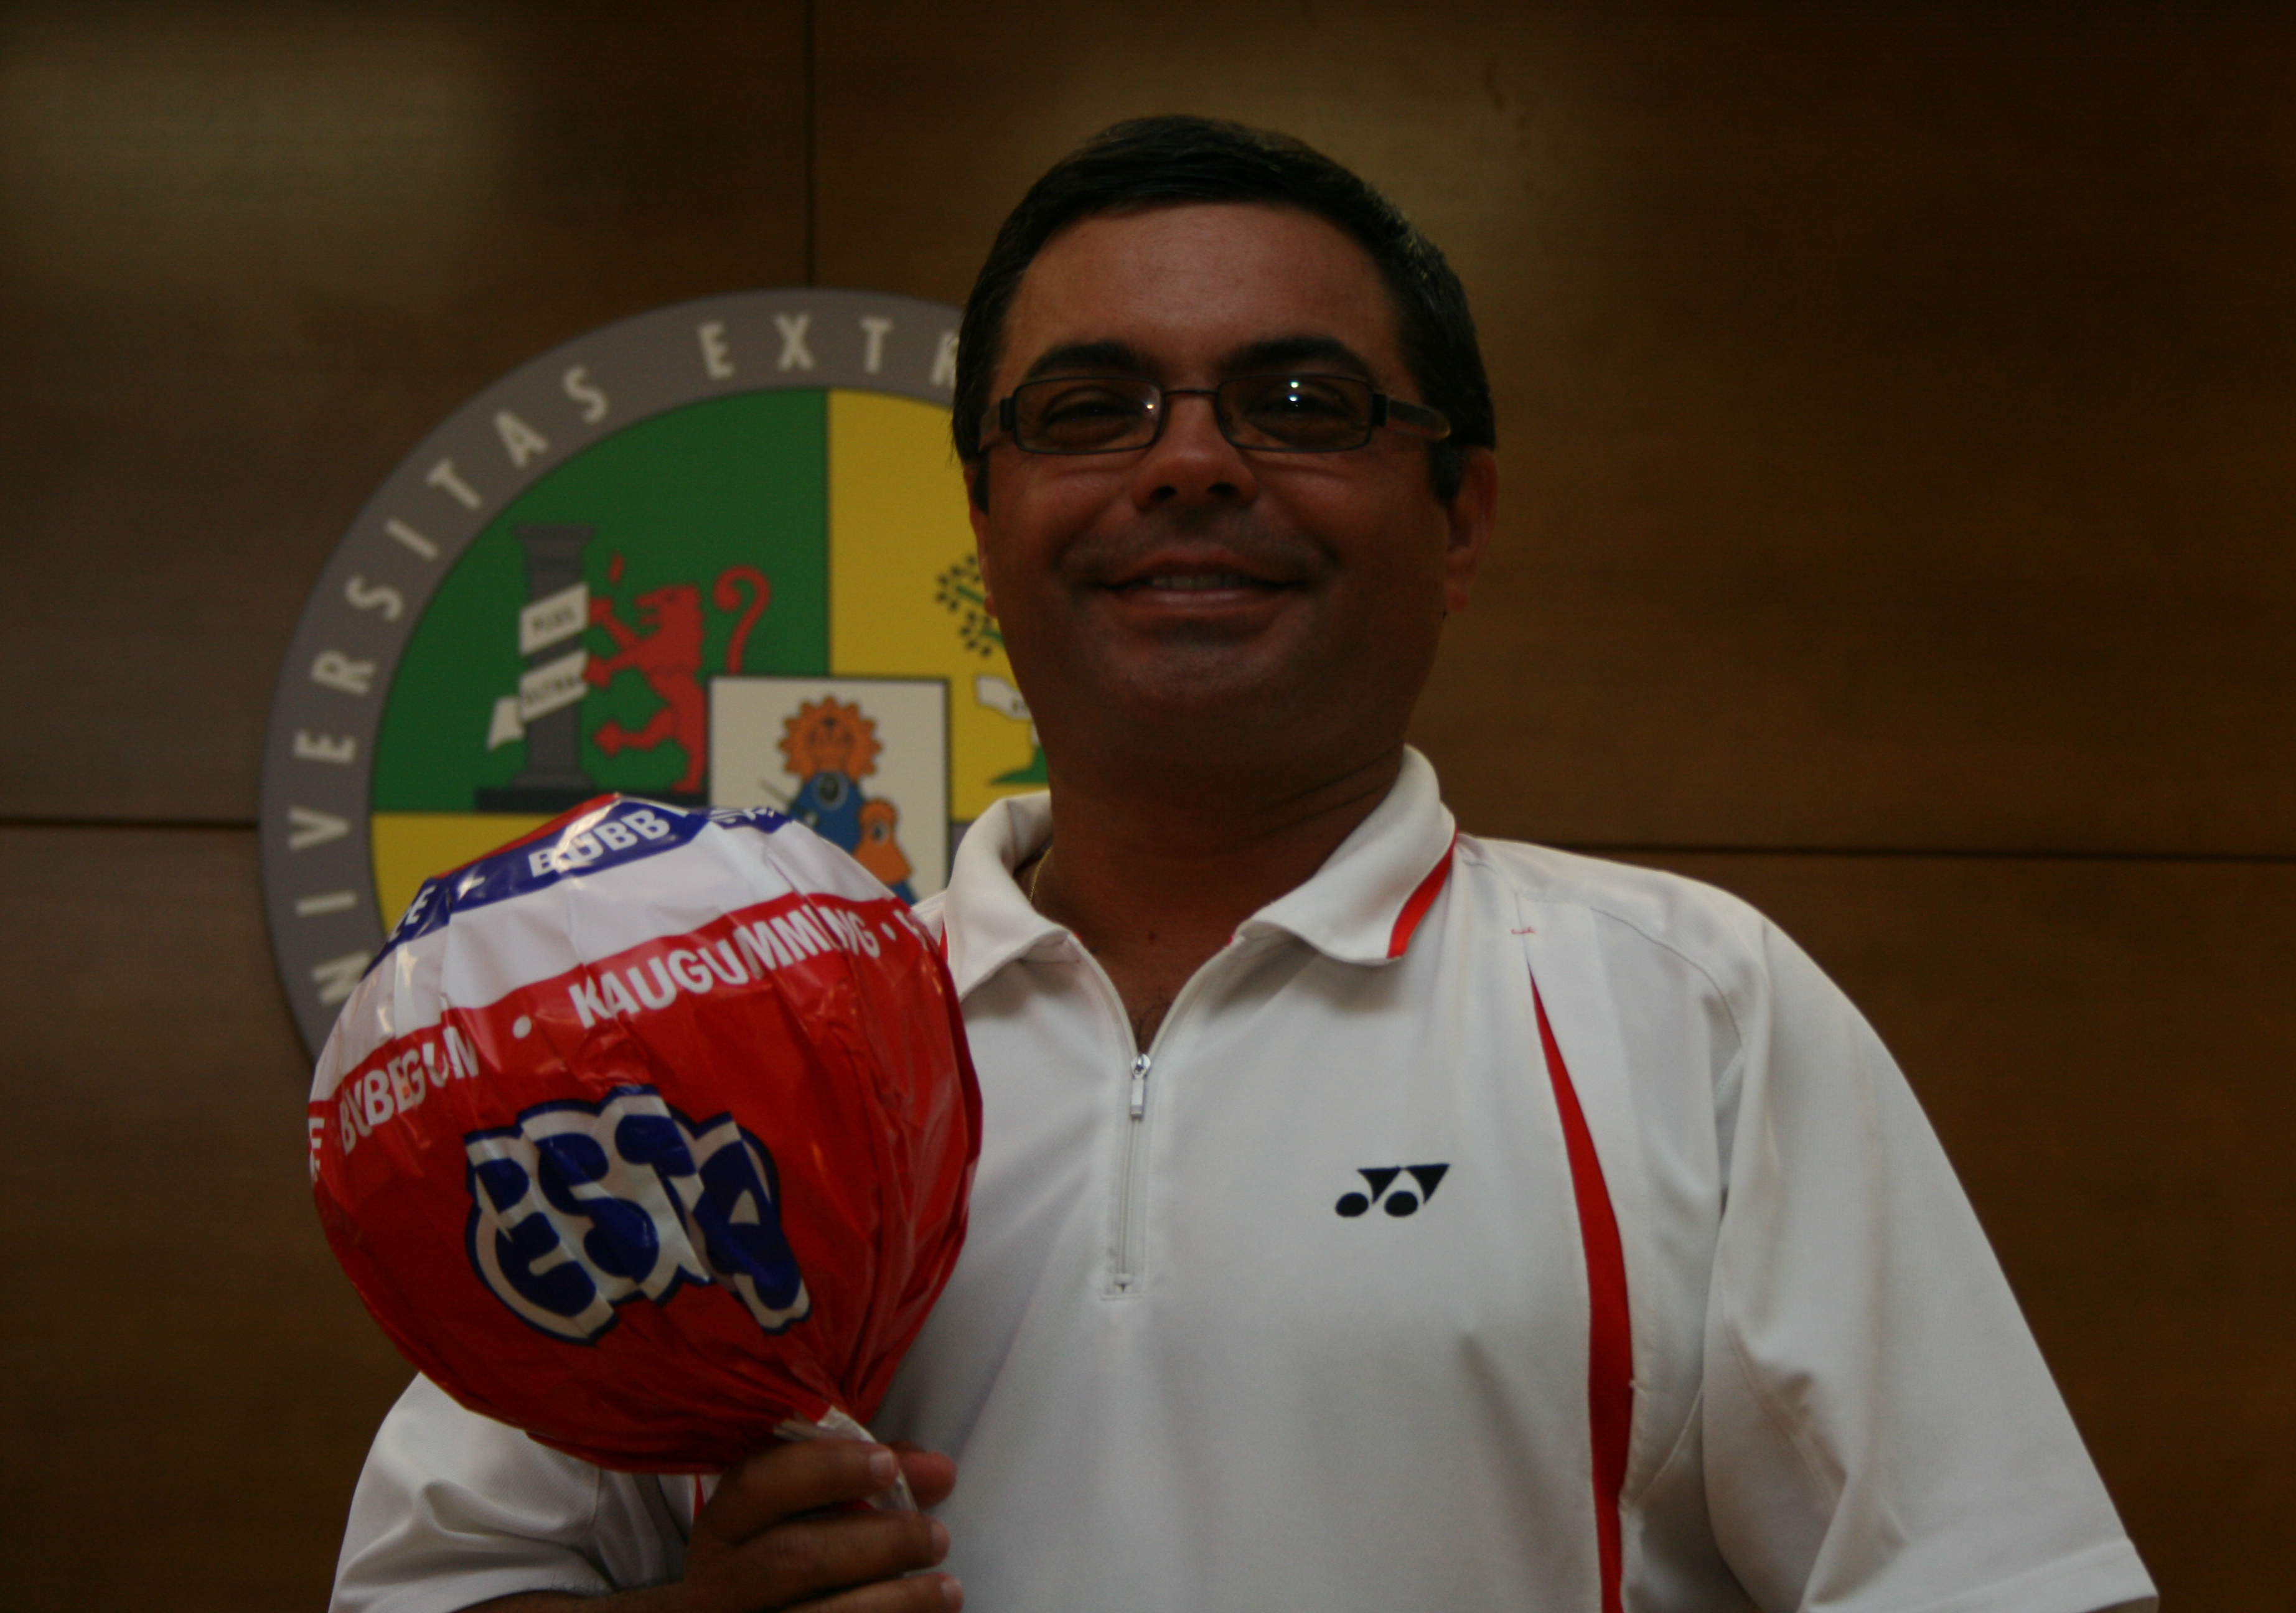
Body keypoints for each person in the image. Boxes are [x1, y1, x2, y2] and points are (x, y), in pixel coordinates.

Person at [332, 116, 2158, 1613]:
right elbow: (436, 1584)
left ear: (1461, 516)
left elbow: (1998, 1583)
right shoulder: (731, 1040)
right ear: (984, 519)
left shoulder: (1690, 1009)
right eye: (1090, 410)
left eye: (1298, 402)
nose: (1192, 465)